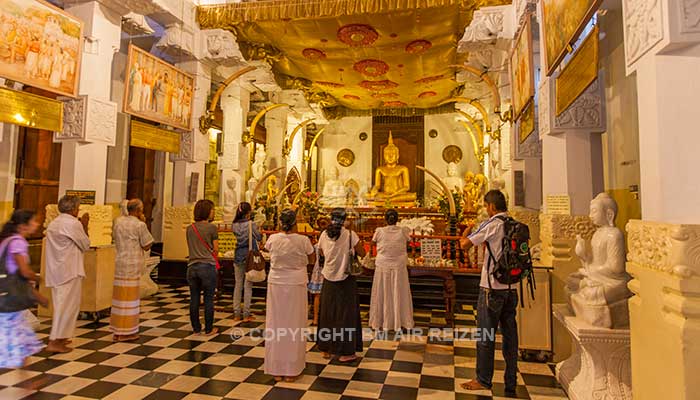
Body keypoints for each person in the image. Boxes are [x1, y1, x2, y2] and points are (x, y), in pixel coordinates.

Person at [459, 190, 518, 396]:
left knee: (486, 333)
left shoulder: (492, 224)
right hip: (511, 289)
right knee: (510, 335)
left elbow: (465, 244)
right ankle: (511, 379)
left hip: (491, 288)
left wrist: (465, 232)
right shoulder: (514, 224)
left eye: (486, 206)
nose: (486, 209)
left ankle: (483, 379)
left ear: (491, 207)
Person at [264, 210, 315, 382]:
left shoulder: (273, 239)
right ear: (295, 223)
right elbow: (312, 259)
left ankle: (276, 368)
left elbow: (269, 252)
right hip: (296, 283)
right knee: (295, 323)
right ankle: (292, 369)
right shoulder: (303, 240)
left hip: (277, 283)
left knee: (276, 323)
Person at [316, 208, 366, 362]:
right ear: (344, 220)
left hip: (329, 279)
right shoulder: (350, 235)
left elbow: (321, 252)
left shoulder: (324, 234)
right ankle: (346, 351)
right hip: (346, 279)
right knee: (346, 316)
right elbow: (363, 253)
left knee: (327, 315)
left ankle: (326, 348)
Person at [0, 210, 46, 368]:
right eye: (33, 221)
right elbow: (24, 271)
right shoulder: (18, 242)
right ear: (23, 226)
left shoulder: (6, 240)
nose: (37, 224)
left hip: (7, 294)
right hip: (10, 296)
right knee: (13, 336)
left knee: (20, 335)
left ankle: (27, 379)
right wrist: (38, 278)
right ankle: (27, 379)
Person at [45, 195, 90, 353]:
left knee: (62, 305)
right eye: (78, 208)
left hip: (57, 271)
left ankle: (62, 338)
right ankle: (54, 341)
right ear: (72, 209)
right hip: (69, 271)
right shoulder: (72, 223)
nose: (78, 211)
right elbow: (85, 245)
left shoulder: (54, 223)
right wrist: (84, 225)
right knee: (66, 307)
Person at [109, 199, 154, 342]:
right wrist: (144, 222)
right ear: (139, 211)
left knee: (119, 299)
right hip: (132, 265)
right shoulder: (139, 225)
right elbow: (147, 244)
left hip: (120, 263)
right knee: (130, 301)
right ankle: (127, 332)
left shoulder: (118, 222)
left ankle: (117, 331)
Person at [369, 209, 414, 331]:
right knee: (399, 291)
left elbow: (372, 244)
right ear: (397, 219)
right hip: (398, 264)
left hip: (383, 264)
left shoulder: (379, 231)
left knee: (382, 291)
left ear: (385, 219)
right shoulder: (403, 231)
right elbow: (410, 244)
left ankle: (381, 320)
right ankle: (401, 320)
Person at [185, 199, 219, 336]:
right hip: (207, 266)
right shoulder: (212, 228)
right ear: (207, 212)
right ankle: (209, 329)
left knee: (194, 298)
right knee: (208, 299)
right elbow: (216, 249)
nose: (213, 212)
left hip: (192, 267)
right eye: (212, 210)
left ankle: (196, 328)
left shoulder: (190, 228)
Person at [231, 202, 261, 322]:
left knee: (238, 285)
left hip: (238, 255)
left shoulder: (234, 225)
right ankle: (246, 314)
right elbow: (258, 237)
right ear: (248, 213)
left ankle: (236, 313)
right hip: (249, 256)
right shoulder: (250, 224)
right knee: (248, 285)